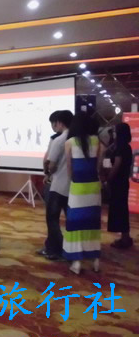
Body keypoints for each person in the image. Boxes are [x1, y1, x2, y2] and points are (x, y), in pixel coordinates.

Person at [64, 113, 103, 274]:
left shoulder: (70, 142)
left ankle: (77, 261)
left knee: (75, 224)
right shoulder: (97, 141)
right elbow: (98, 166)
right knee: (92, 222)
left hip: (77, 187)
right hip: (93, 186)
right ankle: (95, 259)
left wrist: (72, 182)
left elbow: (69, 167)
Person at [40, 110, 73, 260]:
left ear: (59, 122)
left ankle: (56, 249)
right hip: (73, 185)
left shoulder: (59, 140)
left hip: (58, 185)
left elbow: (51, 164)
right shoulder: (76, 139)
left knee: (52, 218)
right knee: (70, 218)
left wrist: (47, 172)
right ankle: (69, 248)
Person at [108, 122, 133, 249]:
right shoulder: (126, 147)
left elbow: (117, 164)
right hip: (123, 182)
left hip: (118, 182)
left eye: (115, 131)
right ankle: (125, 236)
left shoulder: (120, 147)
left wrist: (108, 178)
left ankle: (125, 238)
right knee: (122, 209)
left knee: (120, 210)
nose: (113, 133)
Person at [42, 111, 61, 196]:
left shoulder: (55, 139)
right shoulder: (73, 137)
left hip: (55, 179)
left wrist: (47, 173)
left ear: (56, 123)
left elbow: (46, 160)